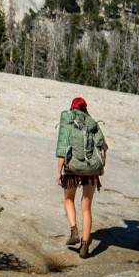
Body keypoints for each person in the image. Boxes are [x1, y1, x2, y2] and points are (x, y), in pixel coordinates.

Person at [55, 97, 108, 259]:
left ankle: (74, 231)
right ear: (85, 108)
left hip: (72, 170)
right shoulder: (92, 123)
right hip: (91, 171)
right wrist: (102, 166)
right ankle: (85, 246)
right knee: (87, 207)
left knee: (68, 199)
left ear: (72, 108)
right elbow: (104, 145)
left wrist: (58, 171)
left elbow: (63, 149)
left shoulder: (68, 123)